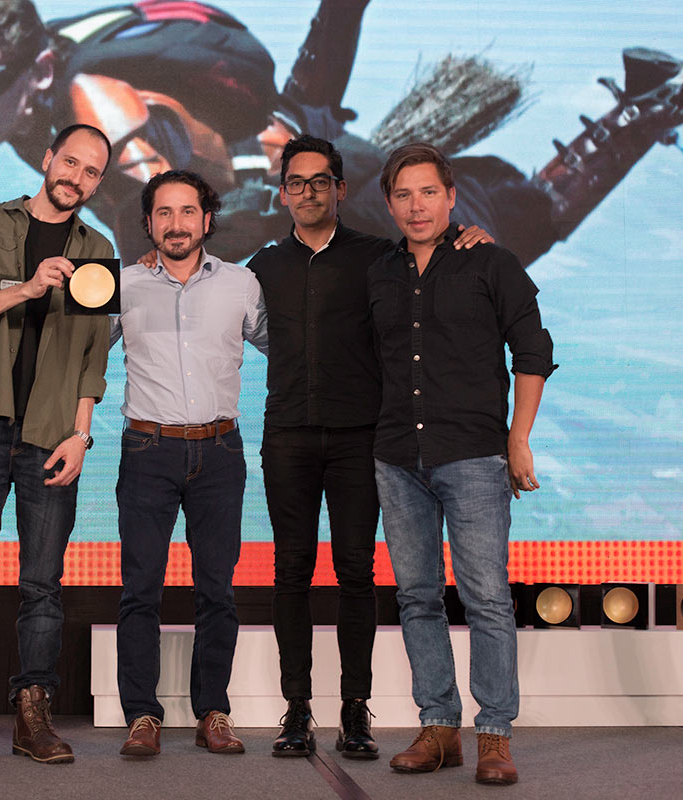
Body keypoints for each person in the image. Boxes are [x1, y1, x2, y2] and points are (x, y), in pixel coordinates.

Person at [0, 0, 683, 265]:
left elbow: (170, 214)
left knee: (505, 236)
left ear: (40, 68)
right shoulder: (0, 88)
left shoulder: (98, 109)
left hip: (309, 185)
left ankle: (653, 104)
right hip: (275, 156)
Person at [245, 134, 489, 759]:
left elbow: (436, 259)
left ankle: (356, 709)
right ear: (282, 193)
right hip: (288, 436)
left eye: (319, 181)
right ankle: (296, 710)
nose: (307, 192)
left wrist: (471, 237)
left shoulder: (381, 256)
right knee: (290, 571)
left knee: (357, 571)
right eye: (296, 182)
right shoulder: (262, 266)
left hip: (362, 437)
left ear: (340, 188)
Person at [368, 142, 556, 786]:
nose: (416, 206)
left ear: (452, 197)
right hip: (397, 457)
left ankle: (495, 734)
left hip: (475, 456)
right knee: (417, 597)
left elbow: (532, 351)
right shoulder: (378, 272)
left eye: (428, 192)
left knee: (487, 598)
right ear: (388, 204)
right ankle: (439, 726)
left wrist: (519, 439)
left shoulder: (492, 262)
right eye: (403, 195)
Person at [0, 123, 113, 763]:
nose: (76, 178)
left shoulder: (98, 248)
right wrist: (30, 288)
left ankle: (32, 714)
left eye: (91, 172)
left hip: (51, 435)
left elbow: (94, 354)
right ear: (47, 159)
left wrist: (81, 435)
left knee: (42, 584)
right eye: (71, 162)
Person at [113, 170, 267, 758]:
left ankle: (213, 711)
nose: (175, 224)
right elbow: (77, 354)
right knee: (140, 589)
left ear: (207, 219)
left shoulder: (242, 284)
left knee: (217, 590)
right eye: (163, 213)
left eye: (187, 212)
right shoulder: (122, 285)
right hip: (147, 451)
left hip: (221, 451)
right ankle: (141, 714)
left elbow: (289, 346)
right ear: (148, 222)